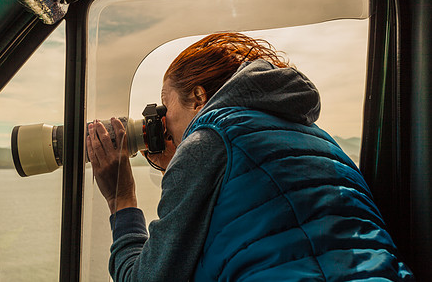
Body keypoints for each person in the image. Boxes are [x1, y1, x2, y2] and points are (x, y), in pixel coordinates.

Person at [87, 33, 414, 281]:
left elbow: (144, 277)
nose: (163, 122)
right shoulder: (323, 142)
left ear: (198, 97)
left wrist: (121, 199)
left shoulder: (208, 141)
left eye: (165, 104)